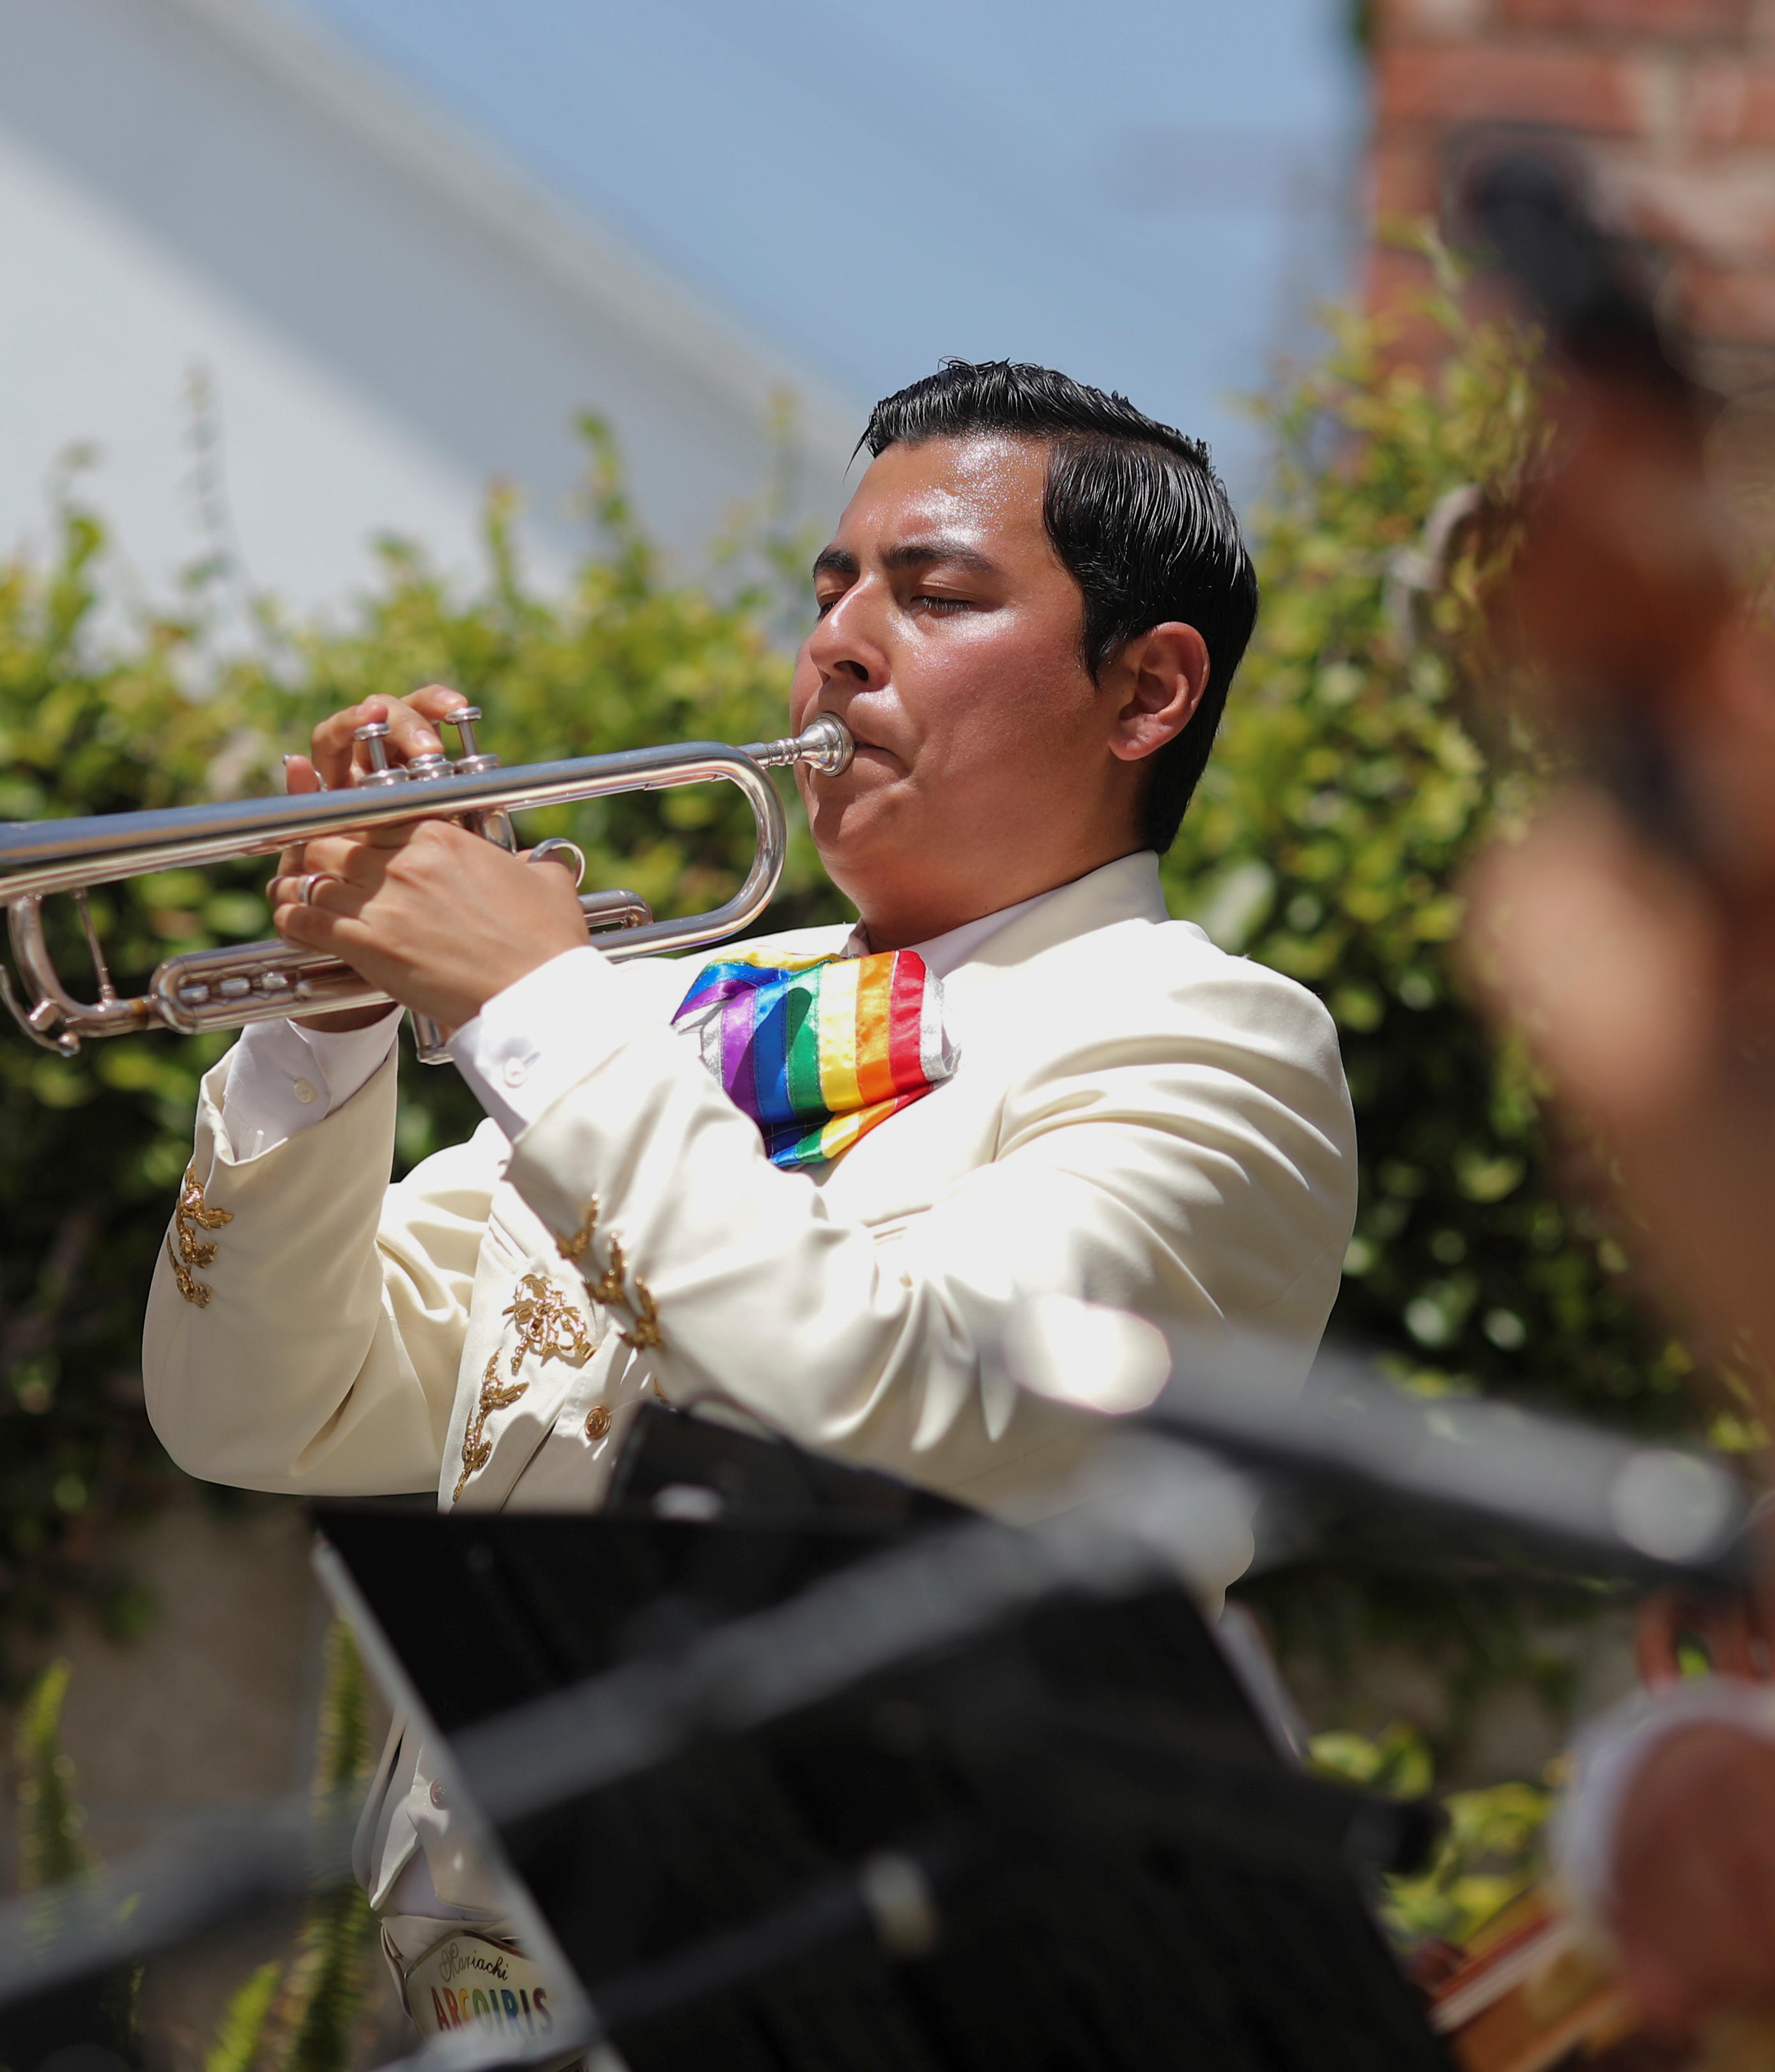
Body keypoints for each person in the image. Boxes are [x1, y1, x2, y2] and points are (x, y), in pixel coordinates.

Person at [141, 360, 1359, 2028]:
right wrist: (323, 1030)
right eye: (833, 589)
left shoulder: (1204, 1038)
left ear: (1146, 691)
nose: (843, 641)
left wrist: (527, 1004)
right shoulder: (654, 1017)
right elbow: (263, 1409)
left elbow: (905, 1391)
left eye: (935, 594)